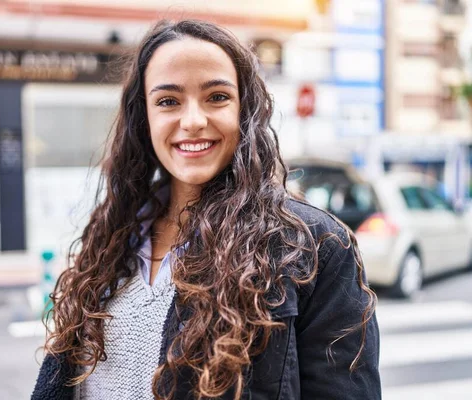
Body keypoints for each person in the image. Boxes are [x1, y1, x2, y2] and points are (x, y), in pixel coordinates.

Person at [31, 19, 381, 400]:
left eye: (217, 97)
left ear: (244, 110)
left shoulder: (315, 246)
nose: (193, 121)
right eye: (168, 101)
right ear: (143, 117)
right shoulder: (114, 233)